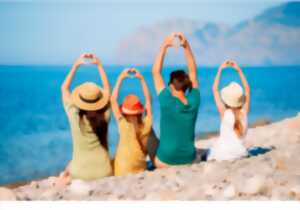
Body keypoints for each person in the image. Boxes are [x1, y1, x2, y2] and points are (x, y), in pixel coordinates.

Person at [58, 53, 113, 185]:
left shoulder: (74, 116)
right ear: (99, 100)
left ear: (80, 101)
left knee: (65, 173)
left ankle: (62, 177)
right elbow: (107, 90)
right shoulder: (106, 116)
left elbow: (64, 88)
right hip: (104, 172)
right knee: (70, 165)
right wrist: (99, 65)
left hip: (80, 174)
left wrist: (76, 65)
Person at [151, 32, 200, 168]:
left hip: (165, 161)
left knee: (150, 137)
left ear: (171, 86)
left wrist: (164, 46)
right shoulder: (194, 100)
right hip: (189, 159)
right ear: (187, 85)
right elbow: (193, 72)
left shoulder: (167, 101)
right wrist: (186, 46)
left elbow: (155, 73)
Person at [111, 68, 153, 176]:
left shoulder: (123, 124)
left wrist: (120, 78)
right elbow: (148, 100)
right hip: (140, 167)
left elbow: (113, 100)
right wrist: (142, 79)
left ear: (124, 112)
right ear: (140, 111)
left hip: (122, 170)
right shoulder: (146, 124)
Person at [208, 60, 250, 161]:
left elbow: (214, 89)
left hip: (223, 155)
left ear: (226, 100)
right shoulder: (244, 112)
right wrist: (239, 71)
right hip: (241, 154)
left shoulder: (224, 112)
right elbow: (247, 89)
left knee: (209, 151)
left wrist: (220, 70)